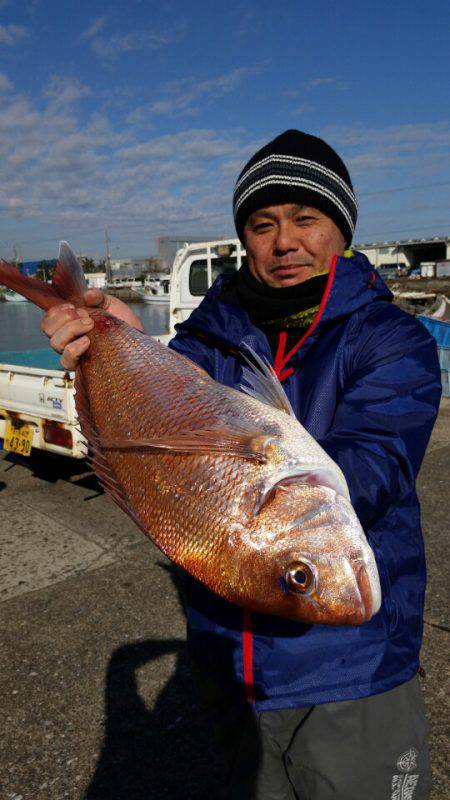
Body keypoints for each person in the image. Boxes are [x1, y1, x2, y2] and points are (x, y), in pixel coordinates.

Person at [41, 130, 441, 800]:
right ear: (243, 239)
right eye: (262, 224)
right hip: (231, 672)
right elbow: (160, 438)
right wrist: (112, 343)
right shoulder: (204, 340)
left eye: (306, 219)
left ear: (340, 230)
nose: (284, 242)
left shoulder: (392, 340)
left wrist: (267, 496)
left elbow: (375, 465)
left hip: (350, 671)